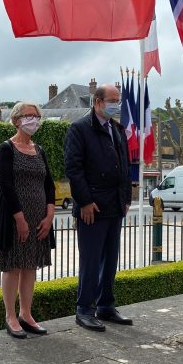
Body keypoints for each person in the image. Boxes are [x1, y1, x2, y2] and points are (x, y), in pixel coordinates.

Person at [64, 84, 133, 331]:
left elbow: (125, 166)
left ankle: (105, 305)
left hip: (115, 205)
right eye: (112, 100)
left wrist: (126, 198)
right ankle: (84, 309)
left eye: (118, 100)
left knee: (110, 259)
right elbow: (73, 168)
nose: (116, 104)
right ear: (98, 102)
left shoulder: (117, 129)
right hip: (91, 207)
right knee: (91, 261)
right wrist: (83, 201)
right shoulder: (80, 128)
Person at [0, 102, 55, 338]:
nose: (34, 120)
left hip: (39, 218)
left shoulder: (39, 149)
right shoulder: (7, 148)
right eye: (29, 115)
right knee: (13, 265)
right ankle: (10, 315)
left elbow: (48, 184)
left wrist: (50, 215)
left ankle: (26, 314)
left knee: (30, 265)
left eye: (37, 116)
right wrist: (19, 219)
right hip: (14, 218)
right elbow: (7, 185)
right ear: (17, 119)